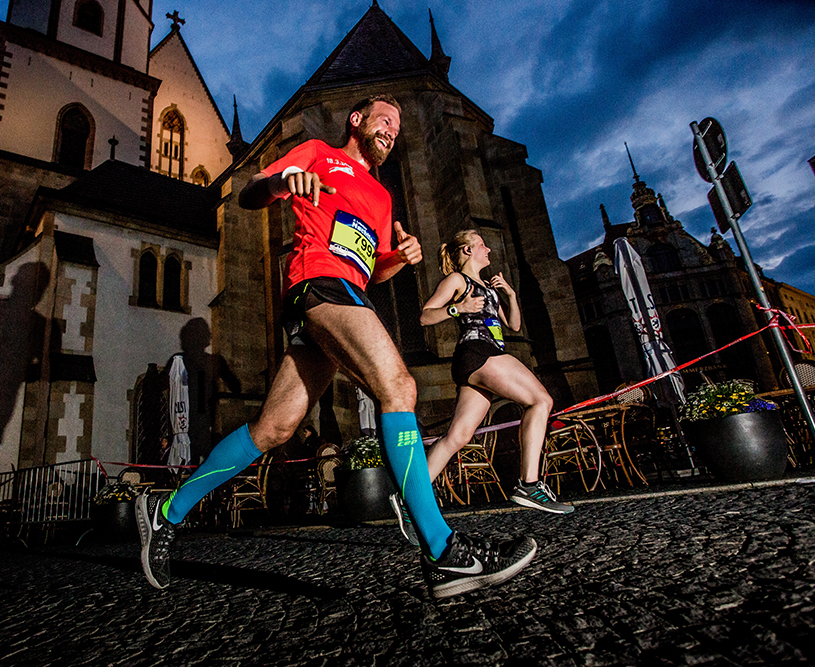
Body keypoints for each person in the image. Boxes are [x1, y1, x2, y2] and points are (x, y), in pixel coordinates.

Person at [135, 96, 537, 599]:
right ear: (357, 120)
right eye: (385, 119)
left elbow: (370, 270)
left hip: (347, 294)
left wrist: (399, 258)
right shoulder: (319, 153)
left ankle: (165, 510)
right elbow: (249, 194)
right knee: (399, 386)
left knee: (273, 427)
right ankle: (443, 552)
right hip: (316, 285)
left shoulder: (383, 196)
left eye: (398, 125)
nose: (392, 129)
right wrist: (284, 182)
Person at [389, 229, 571, 546]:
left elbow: (513, 325)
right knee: (541, 400)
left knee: (457, 437)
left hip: (481, 359)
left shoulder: (487, 287)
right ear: (469, 250)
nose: (488, 249)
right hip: (478, 353)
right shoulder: (459, 281)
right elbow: (425, 317)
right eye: (482, 244)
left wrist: (510, 295)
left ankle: (409, 498)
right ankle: (529, 484)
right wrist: (458, 309)